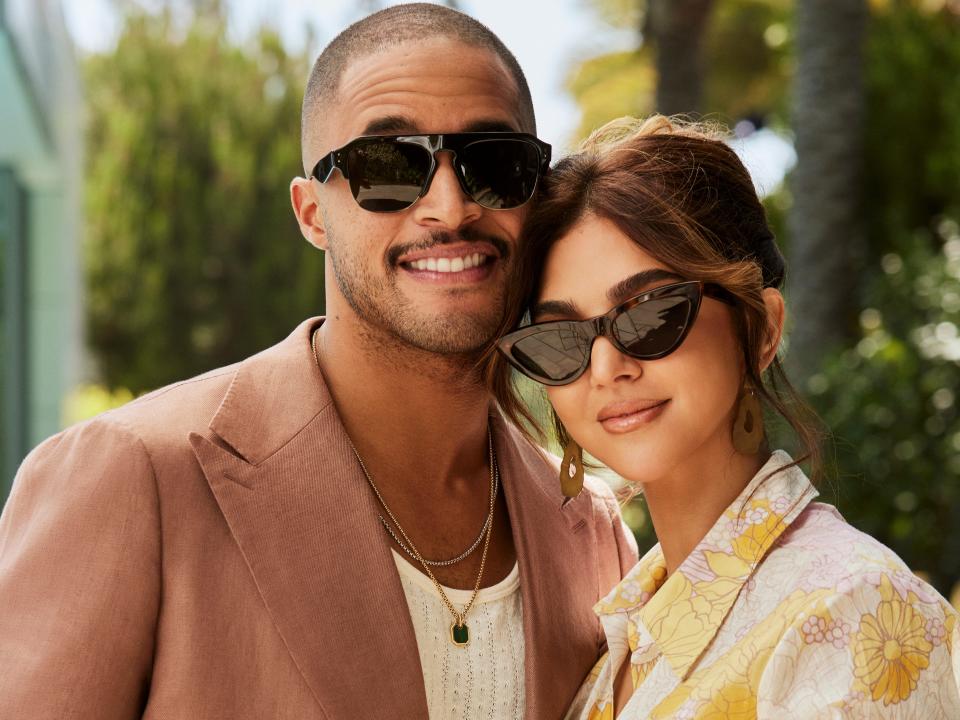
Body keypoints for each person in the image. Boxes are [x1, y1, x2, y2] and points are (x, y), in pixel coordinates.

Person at [0, 5, 637, 719]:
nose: (450, 206)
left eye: (495, 163)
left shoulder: (589, 530)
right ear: (310, 214)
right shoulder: (133, 477)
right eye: (388, 167)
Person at [492, 115, 960, 718]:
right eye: (561, 338)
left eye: (651, 314)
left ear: (760, 328)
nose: (607, 367)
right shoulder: (618, 641)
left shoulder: (852, 611)